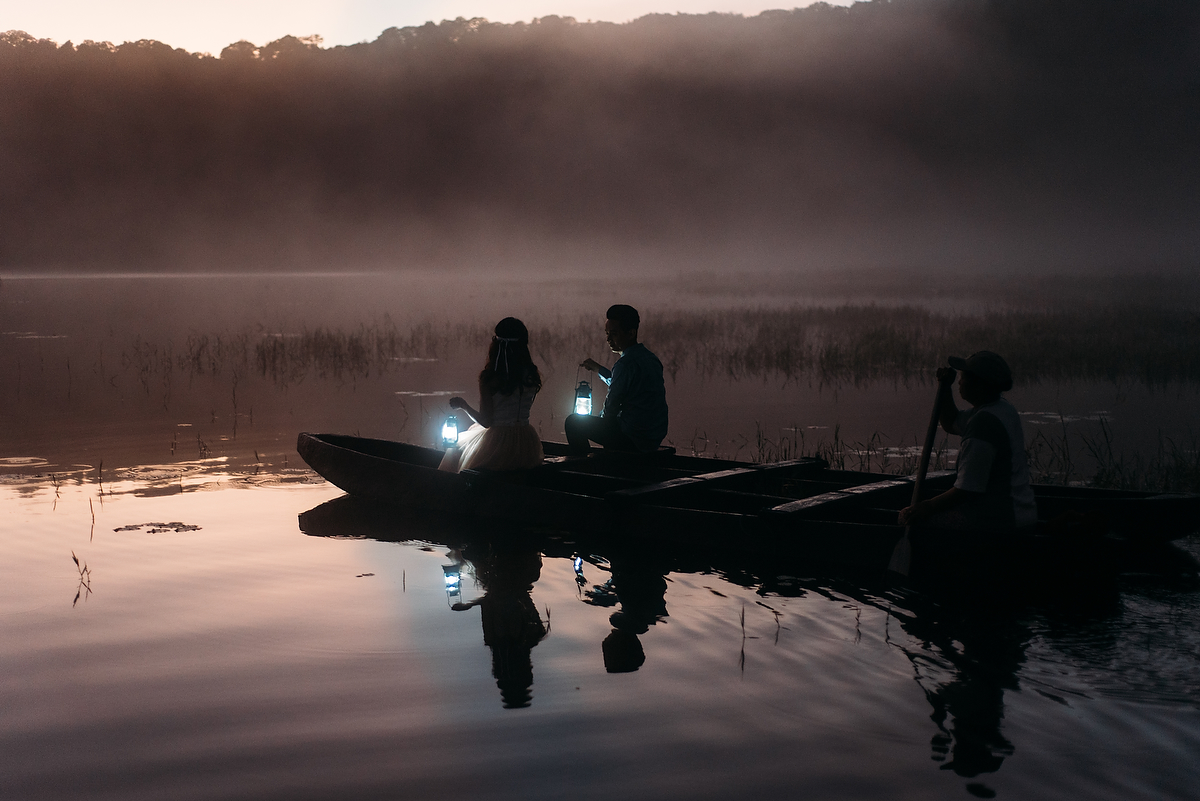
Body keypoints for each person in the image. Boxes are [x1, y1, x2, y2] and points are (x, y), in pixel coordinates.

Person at [898, 351, 1037, 533]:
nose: (960, 382)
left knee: (905, 519)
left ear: (978, 385)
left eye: (963, 378)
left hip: (998, 521)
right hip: (1020, 514)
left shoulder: (983, 424)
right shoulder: (1000, 408)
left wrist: (927, 506)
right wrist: (944, 387)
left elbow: (967, 490)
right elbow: (950, 422)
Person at [439, 317, 544, 473]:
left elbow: (486, 422)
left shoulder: (490, 378)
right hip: (526, 441)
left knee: (456, 451)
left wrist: (464, 406)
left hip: (498, 443)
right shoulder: (531, 375)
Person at [565, 304, 669, 455]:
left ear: (631, 333)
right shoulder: (650, 358)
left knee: (573, 422)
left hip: (633, 438)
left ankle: (583, 467)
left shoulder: (625, 364)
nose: (608, 339)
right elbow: (624, 384)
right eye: (607, 333)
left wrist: (596, 423)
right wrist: (599, 369)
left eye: (613, 334)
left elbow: (611, 407)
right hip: (654, 436)